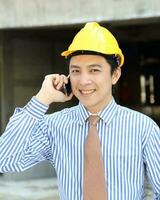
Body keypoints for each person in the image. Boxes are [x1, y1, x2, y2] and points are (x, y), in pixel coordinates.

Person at [0, 22, 160, 200]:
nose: (83, 81)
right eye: (76, 71)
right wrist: (42, 98)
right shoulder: (53, 126)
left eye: (94, 70)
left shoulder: (143, 128)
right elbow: (5, 161)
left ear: (115, 75)